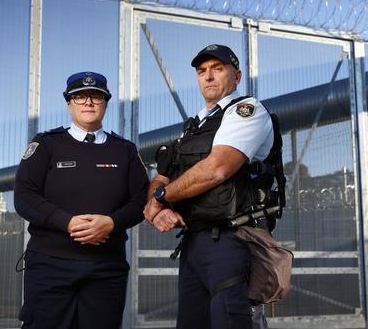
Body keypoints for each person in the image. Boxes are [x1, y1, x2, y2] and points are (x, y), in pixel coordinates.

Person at [144, 44, 277, 329]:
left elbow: (216, 170)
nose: (209, 76)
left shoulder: (247, 110)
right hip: (194, 243)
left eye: (218, 69)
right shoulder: (193, 127)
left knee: (232, 320)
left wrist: (161, 197)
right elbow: (162, 177)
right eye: (202, 71)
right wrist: (157, 208)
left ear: (237, 76)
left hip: (233, 241)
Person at [14, 71, 149, 329]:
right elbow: (24, 196)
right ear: (69, 103)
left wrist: (111, 222)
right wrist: (67, 223)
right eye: (80, 97)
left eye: (96, 96)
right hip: (50, 266)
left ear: (106, 103)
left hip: (106, 268)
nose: (88, 102)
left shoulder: (125, 150)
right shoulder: (46, 144)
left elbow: (142, 199)